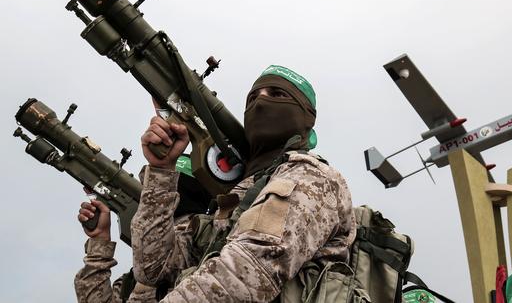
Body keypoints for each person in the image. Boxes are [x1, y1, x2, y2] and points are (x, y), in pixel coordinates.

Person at [131, 65, 356, 302]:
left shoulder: (312, 177)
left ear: (306, 116)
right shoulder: (239, 196)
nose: (260, 102)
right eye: (252, 98)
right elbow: (153, 268)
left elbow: (243, 277)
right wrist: (161, 170)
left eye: (277, 95)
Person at [74, 156, 211, 303]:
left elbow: (159, 265)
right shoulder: (132, 281)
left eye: (160, 187)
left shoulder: (207, 241)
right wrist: (99, 242)